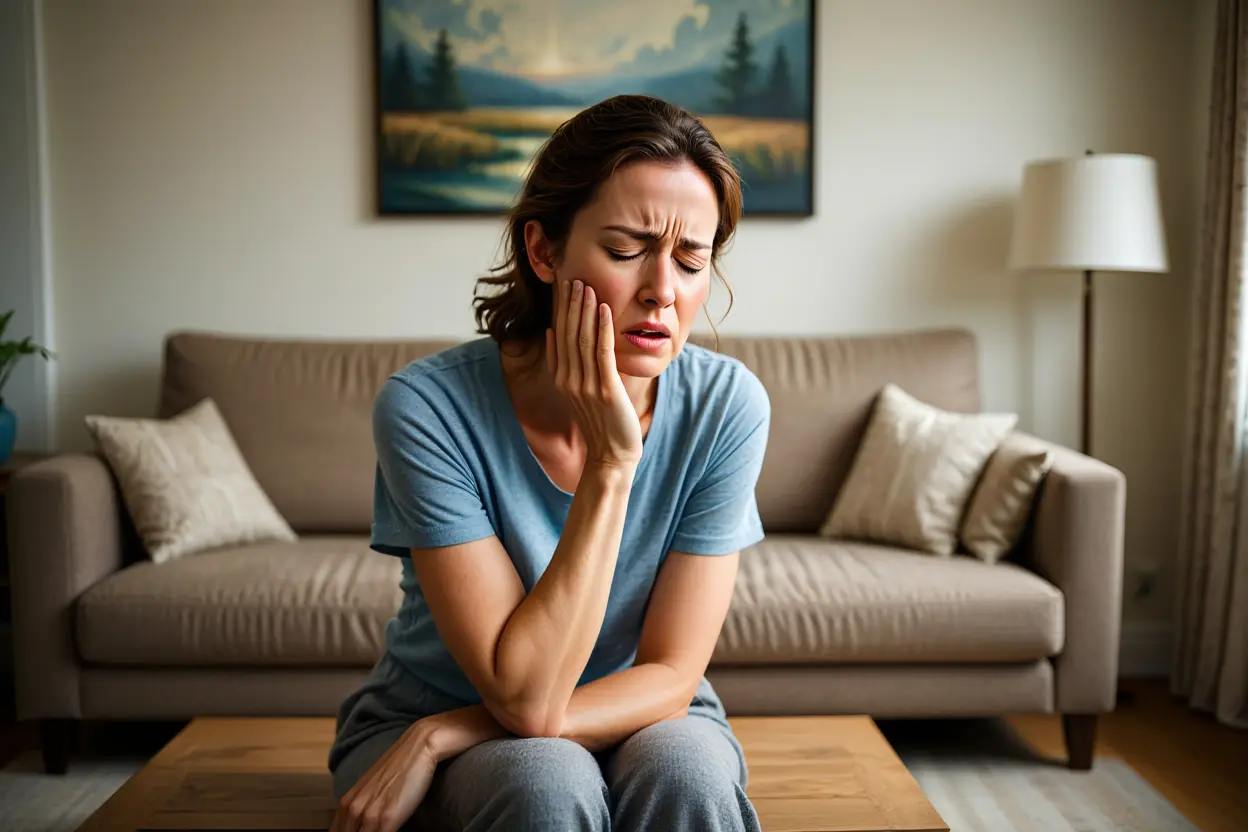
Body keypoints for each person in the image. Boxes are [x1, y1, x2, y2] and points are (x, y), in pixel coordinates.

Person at [328, 94, 771, 832]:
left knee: (688, 774)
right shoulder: (426, 409)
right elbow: (527, 700)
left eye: (693, 259)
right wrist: (611, 465)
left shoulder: (727, 407)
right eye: (627, 251)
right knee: (543, 780)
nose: (664, 290)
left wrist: (447, 734)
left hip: (634, 710)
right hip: (434, 708)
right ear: (543, 251)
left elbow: (671, 671)